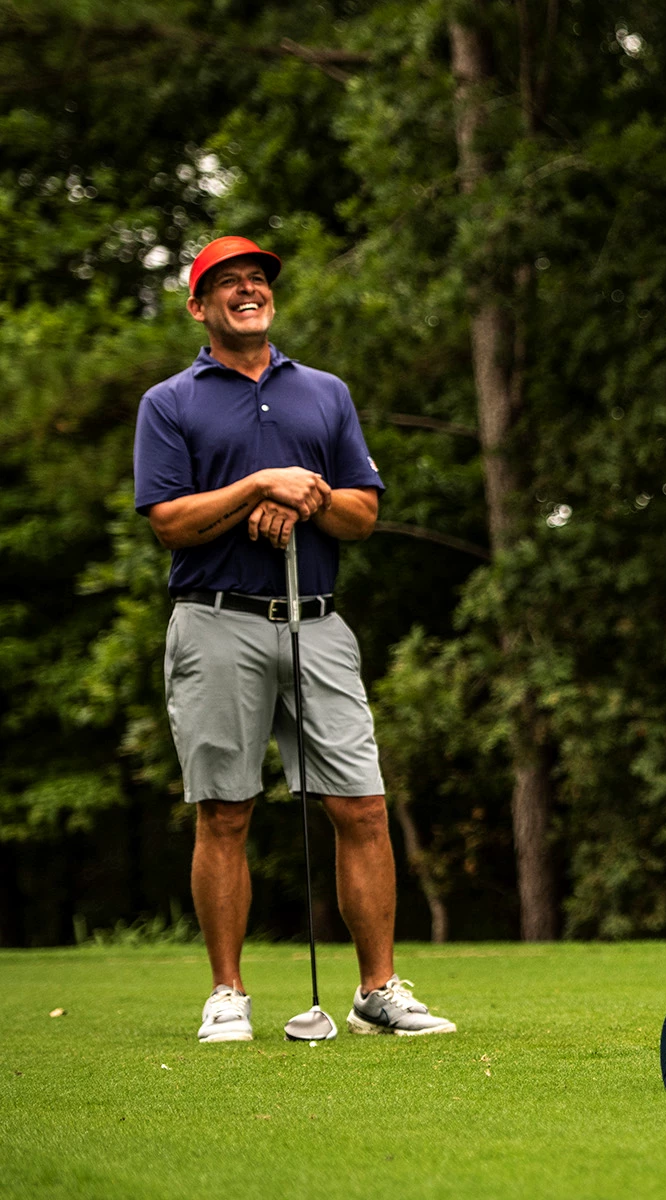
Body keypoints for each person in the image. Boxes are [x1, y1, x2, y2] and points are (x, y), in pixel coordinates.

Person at [134, 236, 456, 1043]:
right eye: (227, 284)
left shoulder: (324, 393)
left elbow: (363, 513)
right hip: (214, 622)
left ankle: (376, 991)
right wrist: (255, 488)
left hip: (319, 622)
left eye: (257, 281)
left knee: (363, 806)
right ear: (198, 306)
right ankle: (227, 995)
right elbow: (170, 523)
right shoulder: (170, 402)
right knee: (224, 812)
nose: (248, 291)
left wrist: (303, 496)